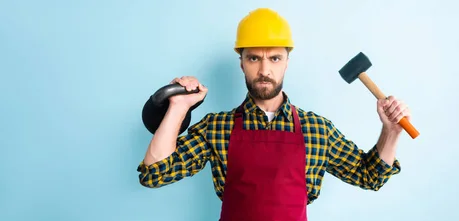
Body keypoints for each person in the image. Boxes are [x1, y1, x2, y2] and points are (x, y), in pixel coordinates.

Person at [137, 8, 411, 221]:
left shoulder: (316, 129)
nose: (264, 70)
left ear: (287, 63)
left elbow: (370, 175)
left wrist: (391, 131)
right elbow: (155, 174)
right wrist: (179, 107)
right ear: (242, 63)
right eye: (254, 58)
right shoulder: (217, 127)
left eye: (275, 58)